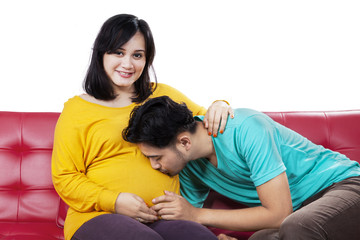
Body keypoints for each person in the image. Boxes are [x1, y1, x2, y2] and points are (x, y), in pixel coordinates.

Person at [51, 14, 234, 240]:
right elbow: (65, 177)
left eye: (137, 55)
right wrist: (115, 201)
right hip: (97, 217)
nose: (128, 64)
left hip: (162, 218)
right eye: (118, 52)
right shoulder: (77, 110)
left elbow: (203, 122)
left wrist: (220, 104)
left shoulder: (162, 94)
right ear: (101, 54)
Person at [123, 96, 360, 240]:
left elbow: (279, 214)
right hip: (303, 211)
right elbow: (187, 222)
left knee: (298, 227)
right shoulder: (187, 166)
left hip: (344, 186)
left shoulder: (246, 128)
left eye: (156, 157)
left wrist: (196, 215)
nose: (155, 166)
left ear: (184, 142)